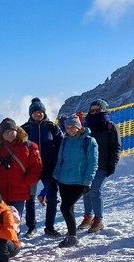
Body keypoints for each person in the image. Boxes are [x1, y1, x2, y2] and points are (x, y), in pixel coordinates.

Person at [0, 118, 43, 237]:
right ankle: (2, 243)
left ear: (17, 131)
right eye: (6, 132)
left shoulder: (29, 146)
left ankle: (12, 243)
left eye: (11, 131)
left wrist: (27, 182)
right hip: (0, 190)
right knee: (0, 218)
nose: (9, 134)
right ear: (1, 134)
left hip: (20, 190)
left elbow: (36, 167)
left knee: (14, 219)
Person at [21, 98, 64, 237]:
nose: (38, 114)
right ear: (30, 114)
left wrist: (58, 162)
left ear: (44, 112)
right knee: (29, 198)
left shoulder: (52, 127)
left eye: (40, 112)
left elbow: (60, 146)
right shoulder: (25, 129)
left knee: (52, 197)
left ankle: (49, 227)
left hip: (49, 168)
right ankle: (31, 227)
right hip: (31, 168)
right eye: (35, 112)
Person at [54, 115, 99, 247]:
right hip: (63, 180)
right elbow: (60, 159)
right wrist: (56, 175)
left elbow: (93, 163)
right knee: (69, 208)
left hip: (79, 181)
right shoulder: (65, 140)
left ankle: (73, 238)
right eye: (67, 128)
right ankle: (70, 234)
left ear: (79, 127)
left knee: (65, 208)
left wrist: (87, 181)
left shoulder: (89, 141)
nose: (70, 130)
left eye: (73, 127)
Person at [81, 99, 122, 233]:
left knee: (95, 190)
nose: (94, 112)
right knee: (86, 190)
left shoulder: (110, 126)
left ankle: (98, 219)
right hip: (86, 165)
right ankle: (88, 217)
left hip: (103, 165)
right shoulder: (86, 126)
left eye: (98, 110)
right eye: (92, 110)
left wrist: (112, 164)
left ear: (104, 110)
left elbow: (116, 147)